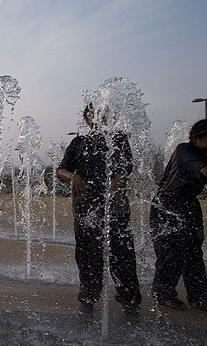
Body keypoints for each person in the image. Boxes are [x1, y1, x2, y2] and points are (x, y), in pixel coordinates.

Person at [56, 104, 142, 317]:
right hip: (86, 207)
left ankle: (129, 300)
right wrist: (73, 176)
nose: (102, 118)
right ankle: (88, 297)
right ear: (87, 119)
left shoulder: (119, 140)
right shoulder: (78, 143)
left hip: (115, 206)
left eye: (106, 115)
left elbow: (125, 168)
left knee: (121, 253)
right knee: (87, 254)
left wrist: (117, 186)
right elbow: (61, 170)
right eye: (97, 115)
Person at [150, 118, 207, 313]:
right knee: (171, 251)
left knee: (193, 252)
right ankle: (164, 293)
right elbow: (199, 168)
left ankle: (199, 297)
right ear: (195, 138)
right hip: (166, 205)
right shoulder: (184, 150)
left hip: (189, 204)